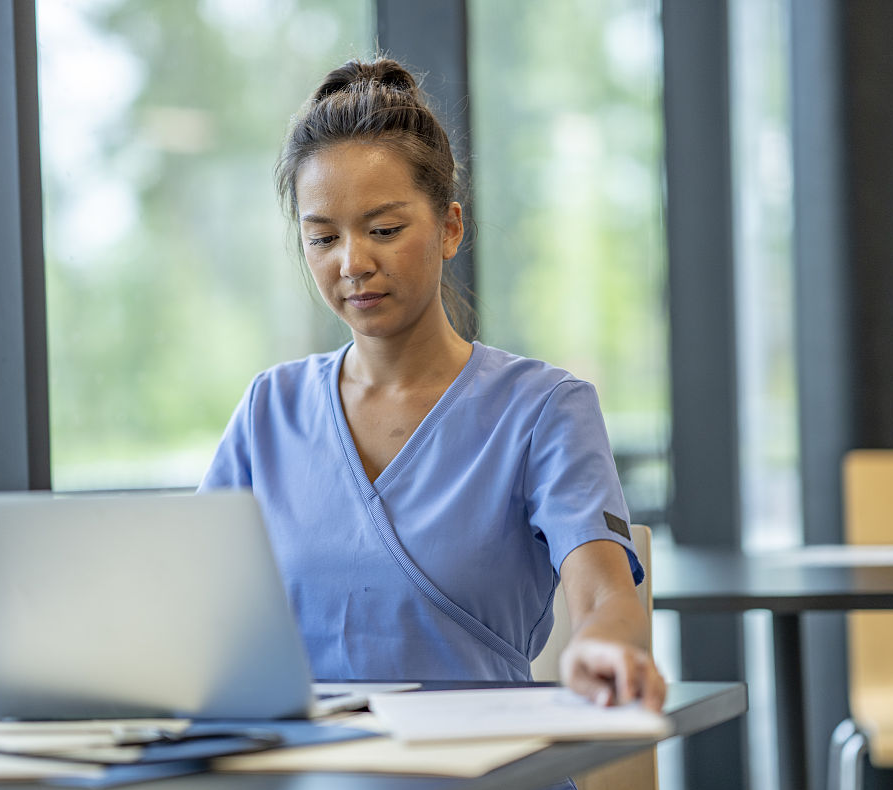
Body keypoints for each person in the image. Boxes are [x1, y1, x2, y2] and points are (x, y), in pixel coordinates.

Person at [200, 57, 664, 723]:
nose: (353, 263)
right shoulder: (268, 412)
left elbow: (604, 595)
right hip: (308, 777)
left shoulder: (543, 410)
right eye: (322, 238)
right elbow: (192, 608)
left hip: (487, 776)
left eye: (384, 230)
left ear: (449, 228)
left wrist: (604, 649)